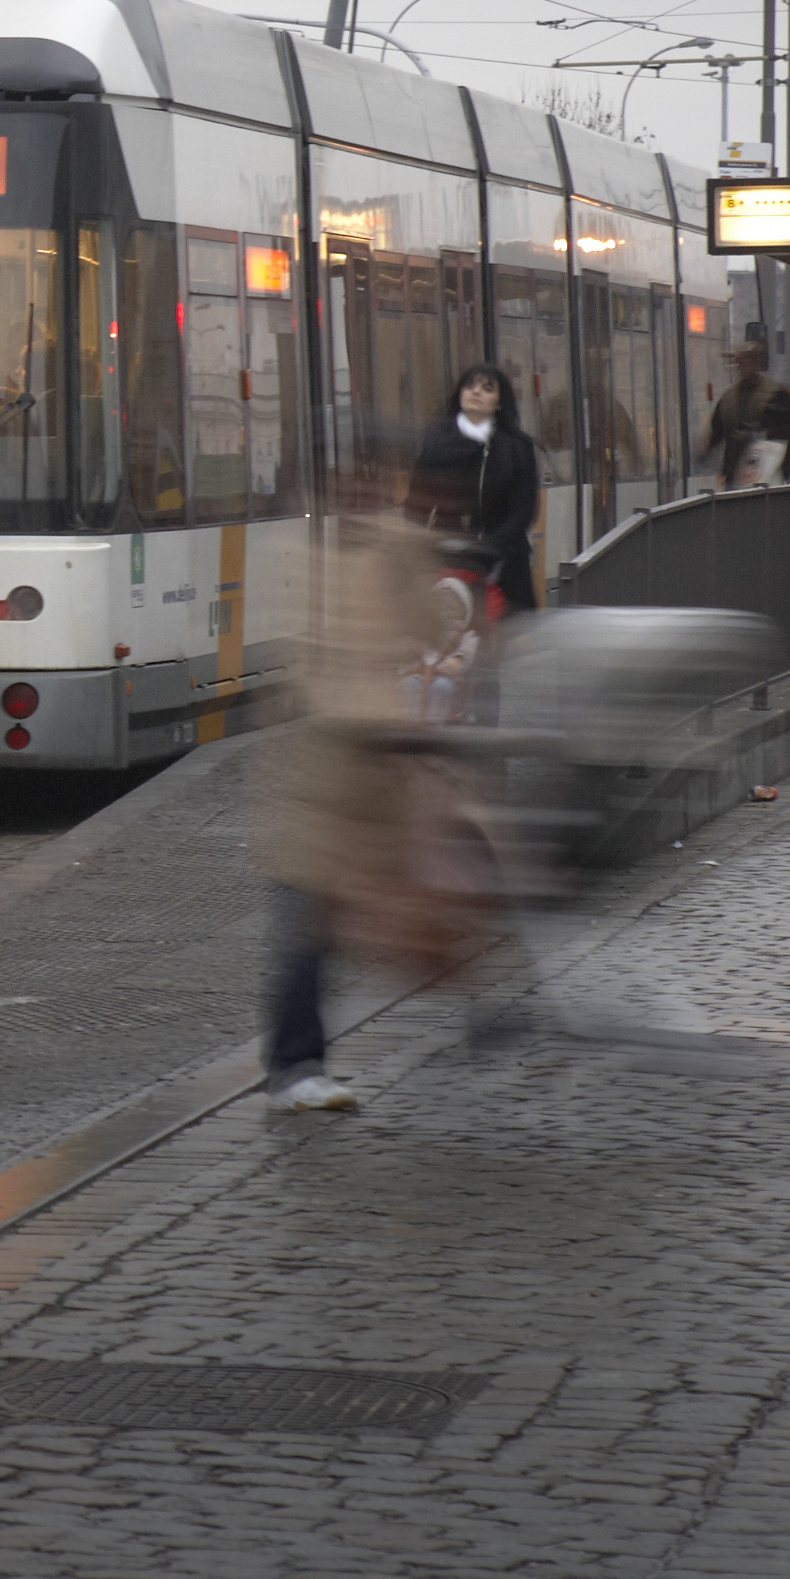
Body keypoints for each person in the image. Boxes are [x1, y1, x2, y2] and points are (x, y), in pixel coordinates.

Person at [259, 518, 517, 1111]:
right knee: (315, 920)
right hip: (335, 774)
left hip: (366, 773)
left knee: (379, 906)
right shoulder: (342, 555)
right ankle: (294, 1067)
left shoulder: (376, 546)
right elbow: (347, 665)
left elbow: (425, 628)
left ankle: (299, 1064)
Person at [403, 364, 542, 624]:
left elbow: (524, 509)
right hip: (446, 562)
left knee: (509, 633)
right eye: (469, 386)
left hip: (503, 563)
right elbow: (418, 502)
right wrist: (422, 546)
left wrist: (491, 548)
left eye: (487, 388)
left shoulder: (517, 447)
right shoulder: (437, 441)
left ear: (499, 402)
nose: (476, 392)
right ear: (459, 394)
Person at [705, 339, 790, 490]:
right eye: (740, 362)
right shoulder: (728, 398)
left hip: (770, 475)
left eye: (747, 361)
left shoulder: (776, 394)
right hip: (736, 476)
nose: (742, 367)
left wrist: (760, 435)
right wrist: (707, 452)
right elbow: (718, 432)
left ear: (757, 363)